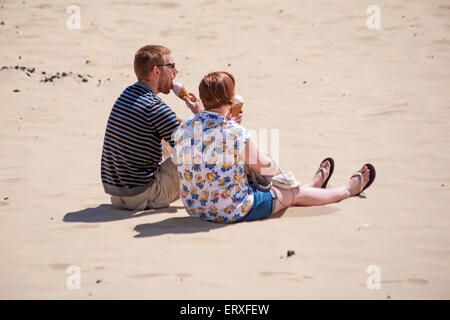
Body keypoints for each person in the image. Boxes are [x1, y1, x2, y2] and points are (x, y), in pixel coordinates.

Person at [174, 71, 376, 223]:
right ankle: (346, 190)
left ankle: (310, 187)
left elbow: (209, 149)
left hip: (196, 206)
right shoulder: (233, 131)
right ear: (230, 99)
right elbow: (265, 167)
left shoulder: (185, 126)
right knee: (289, 191)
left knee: (274, 183)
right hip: (228, 210)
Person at [100, 45, 203, 210]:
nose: (176, 71)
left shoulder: (128, 95)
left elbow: (173, 122)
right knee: (207, 149)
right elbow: (198, 144)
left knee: (168, 139)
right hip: (144, 194)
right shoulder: (154, 107)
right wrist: (201, 116)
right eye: (171, 66)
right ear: (156, 71)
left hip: (118, 195)